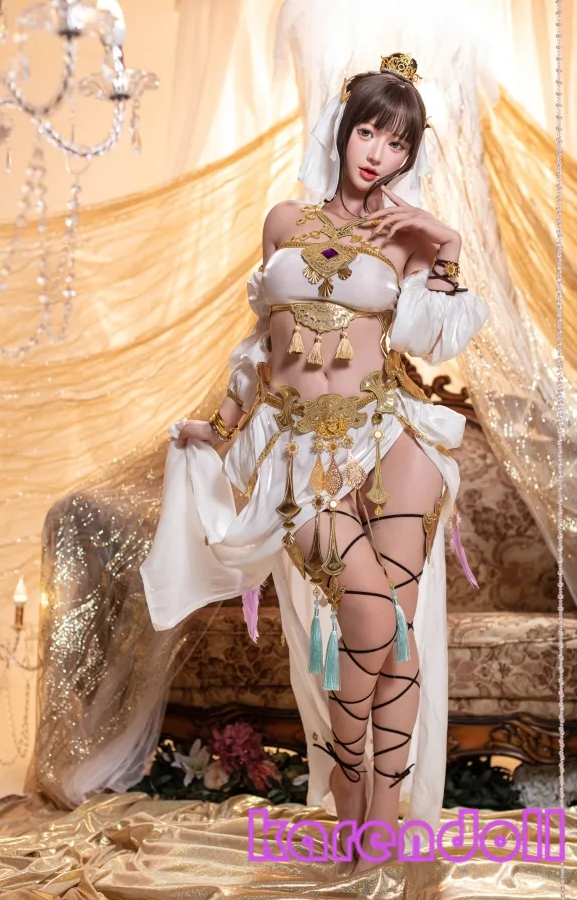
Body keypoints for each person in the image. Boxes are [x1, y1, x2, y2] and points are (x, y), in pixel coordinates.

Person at [140, 52, 490, 872]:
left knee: (397, 633)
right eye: (369, 131)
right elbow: (261, 350)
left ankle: (382, 825)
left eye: (398, 143)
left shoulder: (406, 237)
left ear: (409, 155)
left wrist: (444, 245)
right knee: (369, 620)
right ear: (343, 129)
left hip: (391, 441)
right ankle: (352, 784)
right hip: (303, 457)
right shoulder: (285, 220)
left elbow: (428, 336)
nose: (379, 153)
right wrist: (220, 428)